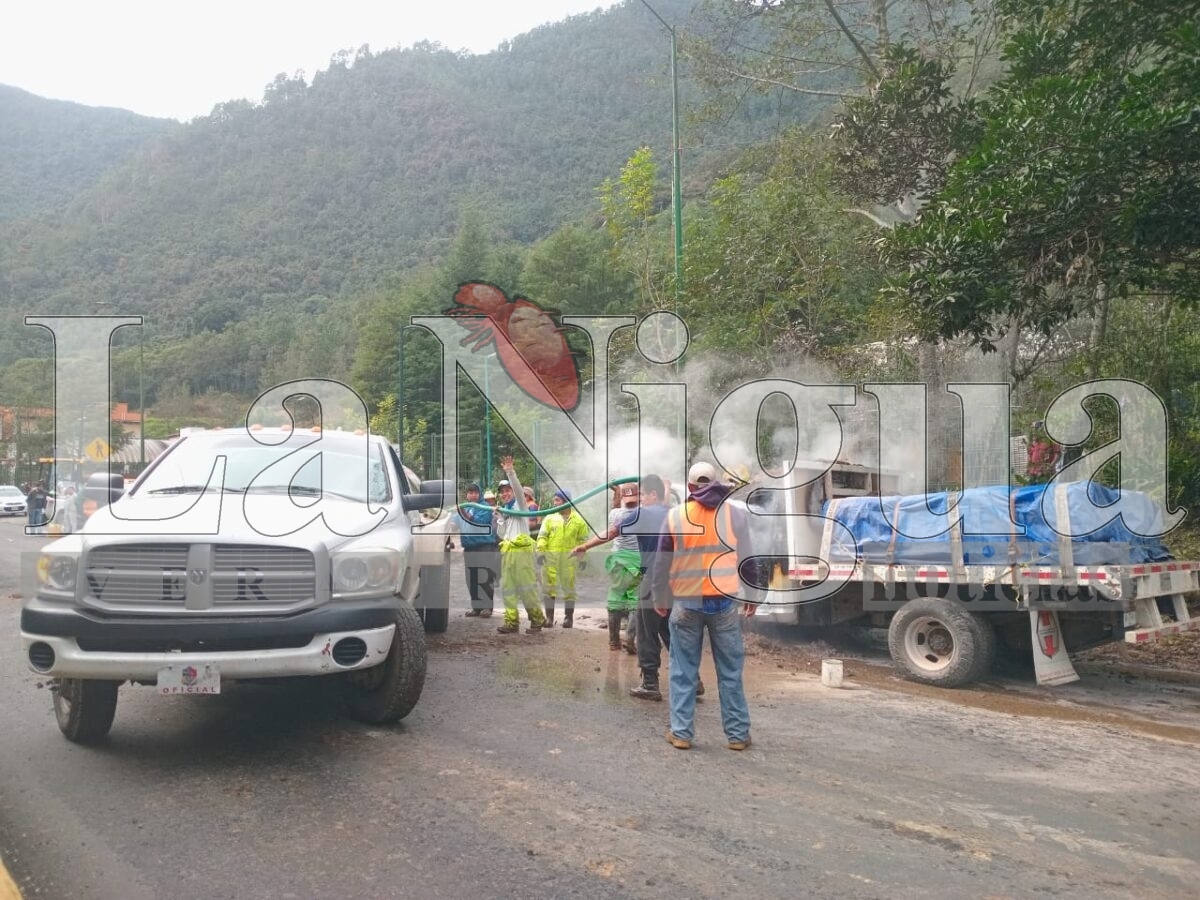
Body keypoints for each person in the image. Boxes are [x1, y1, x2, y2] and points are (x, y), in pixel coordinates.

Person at [651, 461, 759, 751]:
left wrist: (659, 597)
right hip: (724, 604)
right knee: (730, 671)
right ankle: (737, 735)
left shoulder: (675, 516)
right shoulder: (735, 515)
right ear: (715, 483)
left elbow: (661, 563)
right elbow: (748, 560)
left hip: (687, 603)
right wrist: (753, 594)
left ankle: (681, 733)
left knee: (683, 670)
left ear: (689, 487)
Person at [572, 483, 641, 652]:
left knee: (616, 598)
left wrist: (617, 492)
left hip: (618, 562)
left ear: (623, 498)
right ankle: (630, 637)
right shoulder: (643, 513)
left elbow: (614, 513)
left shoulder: (614, 514)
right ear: (639, 497)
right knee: (636, 600)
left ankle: (613, 642)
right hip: (637, 562)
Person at [496, 457, 547, 634]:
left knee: (527, 588)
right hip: (508, 553)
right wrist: (500, 518)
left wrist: (510, 472)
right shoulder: (505, 511)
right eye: (502, 492)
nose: (505, 494)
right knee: (507, 588)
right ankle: (511, 622)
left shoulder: (521, 505)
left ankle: (537, 620)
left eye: (507, 490)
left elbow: (518, 489)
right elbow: (502, 535)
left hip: (522, 553)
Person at [535, 488, 588, 627]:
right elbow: (542, 536)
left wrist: (583, 558)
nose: (554, 503)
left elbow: (583, 541)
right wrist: (541, 552)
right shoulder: (550, 518)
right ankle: (549, 618)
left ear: (566, 502)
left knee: (569, 587)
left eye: (557, 500)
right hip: (550, 557)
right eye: (554, 500)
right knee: (548, 586)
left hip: (569, 558)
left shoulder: (578, 520)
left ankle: (568, 618)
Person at [450, 482, 499, 617]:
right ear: (467, 495)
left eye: (476, 493)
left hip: (484, 546)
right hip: (469, 547)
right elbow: (453, 524)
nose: (473, 495)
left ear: (480, 494)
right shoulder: (464, 508)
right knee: (472, 578)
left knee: (485, 576)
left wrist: (462, 512)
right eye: (470, 493)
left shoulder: (485, 507)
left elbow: (478, 522)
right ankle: (476, 607)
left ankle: (487, 607)